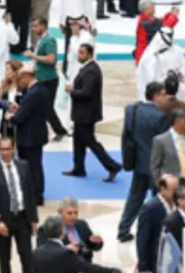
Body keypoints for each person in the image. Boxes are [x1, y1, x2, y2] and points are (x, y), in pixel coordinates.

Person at [116, 82, 170, 243]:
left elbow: (125, 136)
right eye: (163, 94)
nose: (166, 97)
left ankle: (123, 230)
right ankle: (158, 231)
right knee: (159, 201)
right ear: (156, 96)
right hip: (156, 167)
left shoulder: (132, 110)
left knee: (134, 198)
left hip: (138, 163)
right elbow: (164, 144)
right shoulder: (161, 117)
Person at [63, 42, 120, 182]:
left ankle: (112, 166)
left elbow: (87, 92)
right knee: (78, 142)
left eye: (82, 53)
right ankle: (78, 168)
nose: (79, 55)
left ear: (90, 54)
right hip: (82, 113)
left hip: (86, 114)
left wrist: (72, 91)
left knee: (90, 142)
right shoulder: (87, 68)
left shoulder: (91, 71)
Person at [0, 137, 37, 273]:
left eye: (7, 149)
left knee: (27, 257)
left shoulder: (23, 166)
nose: (5, 152)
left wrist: (34, 219)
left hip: (22, 219)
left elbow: (30, 193)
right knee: (4, 259)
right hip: (3, 221)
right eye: (2, 149)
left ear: (13, 149)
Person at [24, 17, 70, 141]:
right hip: (41, 78)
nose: (34, 29)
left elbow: (51, 59)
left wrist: (33, 56)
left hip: (48, 80)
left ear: (43, 26)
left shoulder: (49, 40)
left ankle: (60, 130)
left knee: (47, 108)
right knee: (43, 107)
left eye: (36, 26)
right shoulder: (42, 39)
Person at [8, 63, 49, 205]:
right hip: (34, 135)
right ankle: (35, 193)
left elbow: (20, 118)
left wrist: (11, 117)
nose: (20, 81)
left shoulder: (34, 93)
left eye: (20, 78)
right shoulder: (38, 89)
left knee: (32, 167)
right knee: (35, 166)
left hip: (30, 137)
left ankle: (36, 196)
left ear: (27, 76)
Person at [32, 216, 120, 273]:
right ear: (63, 231)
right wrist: (113, 271)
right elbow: (88, 268)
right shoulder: (65, 253)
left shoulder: (36, 252)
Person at [135, 173, 179, 272]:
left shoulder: (177, 204)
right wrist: (143, 267)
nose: (177, 193)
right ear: (163, 188)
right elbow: (142, 239)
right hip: (156, 259)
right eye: (174, 189)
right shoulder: (150, 208)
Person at [135, 27, 185, 102]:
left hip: (173, 93)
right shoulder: (150, 55)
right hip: (156, 94)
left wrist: (175, 75)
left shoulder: (178, 51)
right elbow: (149, 78)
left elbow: (183, 69)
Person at [151, 108, 185, 184]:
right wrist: (161, 185)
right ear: (176, 121)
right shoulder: (160, 140)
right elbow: (155, 167)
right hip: (171, 184)